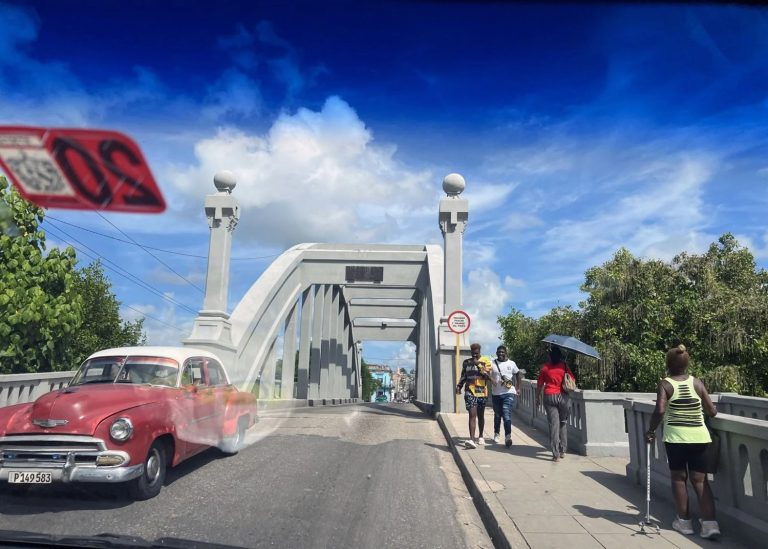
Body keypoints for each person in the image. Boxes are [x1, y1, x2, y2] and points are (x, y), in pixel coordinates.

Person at [646, 344, 720, 539]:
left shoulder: (665, 384)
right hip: (700, 437)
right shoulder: (697, 383)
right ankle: (710, 525)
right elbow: (712, 410)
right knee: (701, 480)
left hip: (676, 438)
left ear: (668, 364)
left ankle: (684, 522)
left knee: (679, 478)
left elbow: (660, 410)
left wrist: (651, 430)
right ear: (687, 365)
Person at [535, 346, 575, 461]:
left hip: (549, 396)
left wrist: (537, 398)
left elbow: (539, 385)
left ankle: (555, 454)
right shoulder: (565, 366)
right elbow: (572, 380)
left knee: (554, 425)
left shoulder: (545, 368)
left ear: (550, 356)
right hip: (563, 397)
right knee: (563, 422)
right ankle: (563, 450)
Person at [456, 343, 492, 449]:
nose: (474, 355)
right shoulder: (466, 363)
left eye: (476, 353)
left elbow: (487, 376)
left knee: (480, 415)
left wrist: (478, 364)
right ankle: (472, 439)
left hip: (482, 392)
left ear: (479, 351)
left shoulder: (486, 361)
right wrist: (459, 386)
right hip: (470, 391)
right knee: (472, 414)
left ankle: (480, 436)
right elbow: (463, 376)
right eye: (472, 353)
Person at [490, 345, 520, 448]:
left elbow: (518, 374)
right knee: (497, 415)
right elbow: (487, 374)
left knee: (506, 415)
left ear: (506, 352)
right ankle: (497, 433)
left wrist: (518, 388)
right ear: (496, 353)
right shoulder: (492, 363)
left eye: (502, 352)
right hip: (496, 393)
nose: (500, 354)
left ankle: (508, 437)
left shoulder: (511, 363)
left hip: (508, 392)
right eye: (499, 352)